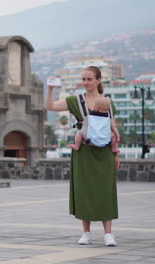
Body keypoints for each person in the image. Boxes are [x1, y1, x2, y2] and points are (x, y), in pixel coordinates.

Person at [45, 66, 120, 246]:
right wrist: (50, 89)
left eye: (89, 79)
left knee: (105, 191)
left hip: (104, 153)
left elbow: (113, 129)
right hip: (83, 152)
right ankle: (86, 233)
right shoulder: (75, 100)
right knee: (84, 191)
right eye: (84, 79)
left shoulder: (108, 102)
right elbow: (50, 106)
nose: (86, 83)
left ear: (98, 80)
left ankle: (108, 234)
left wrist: (116, 155)